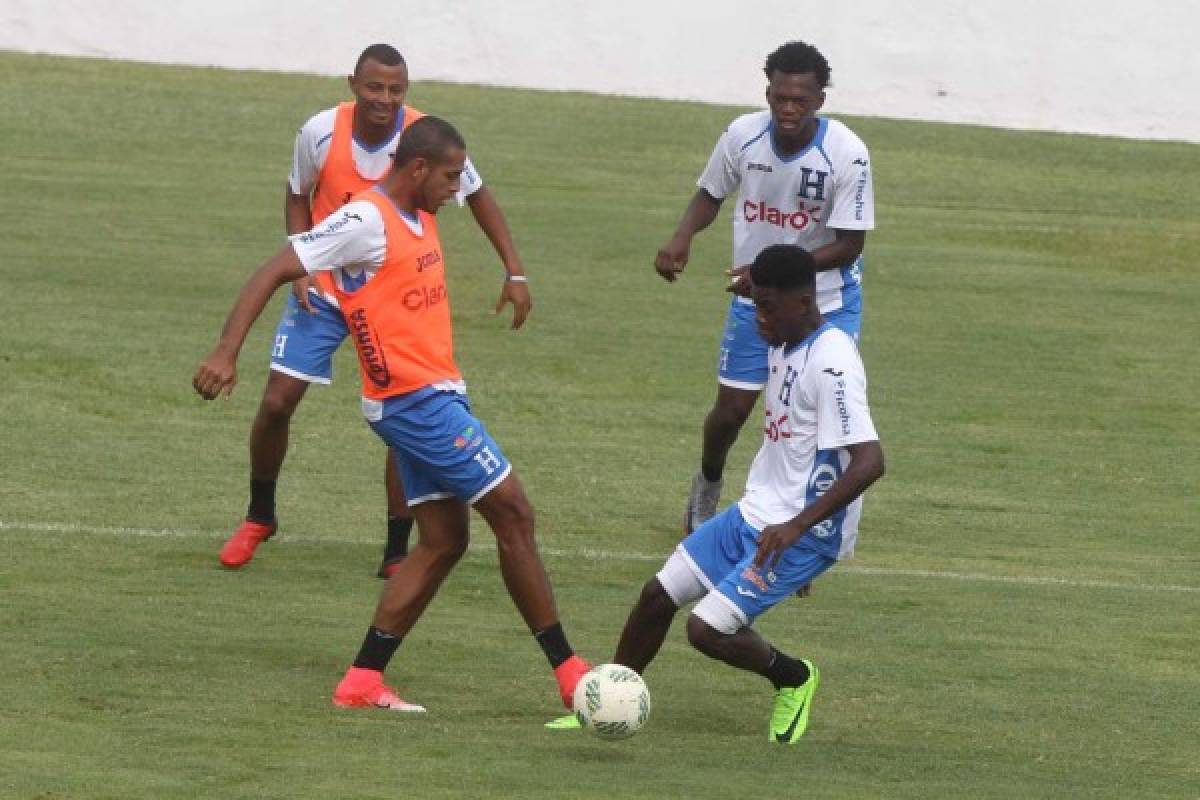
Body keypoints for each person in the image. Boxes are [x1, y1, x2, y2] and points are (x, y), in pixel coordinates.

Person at [194, 116, 588, 713]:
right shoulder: (365, 221)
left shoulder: (419, 212)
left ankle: (362, 680)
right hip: (416, 405)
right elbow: (276, 269)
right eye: (452, 176)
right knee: (514, 513)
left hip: (433, 396)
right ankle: (570, 673)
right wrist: (226, 351)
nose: (459, 188)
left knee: (444, 540)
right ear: (420, 168)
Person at [549, 244, 884, 740]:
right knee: (657, 596)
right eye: (756, 305)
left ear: (803, 302)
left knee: (705, 630)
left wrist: (797, 528)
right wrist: (755, 288)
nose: (758, 319)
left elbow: (871, 461)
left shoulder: (832, 362)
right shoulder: (787, 331)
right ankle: (607, 700)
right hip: (756, 511)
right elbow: (771, 296)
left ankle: (794, 677)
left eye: (767, 308)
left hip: (800, 530)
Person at [220, 43, 531, 578]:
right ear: (353, 85)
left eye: (396, 89)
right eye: (374, 87)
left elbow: (477, 194)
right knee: (277, 401)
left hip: (390, 295)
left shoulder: (423, 139)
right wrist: (302, 258)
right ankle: (259, 515)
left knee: (404, 411)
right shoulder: (319, 131)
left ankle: (395, 547)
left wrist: (515, 269)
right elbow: (298, 191)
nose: (385, 98)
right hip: (324, 289)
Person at [654, 40, 876, 536]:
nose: (788, 109)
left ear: (820, 99)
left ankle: (808, 526)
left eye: (800, 99)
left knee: (818, 419)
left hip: (828, 306)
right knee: (732, 412)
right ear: (768, 93)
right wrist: (682, 237)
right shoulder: (743, 135)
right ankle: (707, 484)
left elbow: (850, 246)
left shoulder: (847, 154)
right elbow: (710, 193)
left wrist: (773, 271)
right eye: (779, 97)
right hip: (758, 300)